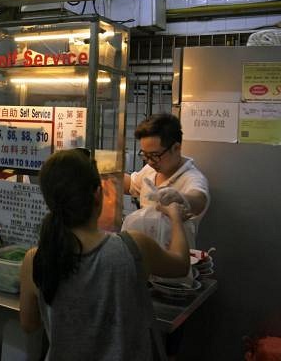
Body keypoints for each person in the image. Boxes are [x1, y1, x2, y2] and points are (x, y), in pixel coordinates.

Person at [19, 149, 190, 360]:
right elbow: (181, 264)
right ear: (98, 194)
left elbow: (29, 324)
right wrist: (175, 217)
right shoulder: (132, 247)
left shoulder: (35, 259)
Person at [122, 113, 210, 245]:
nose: (150, 162)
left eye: (154, 155)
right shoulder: (151, 169)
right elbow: (130, 184)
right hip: (146, 253)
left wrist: (182, 199)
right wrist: (103, 172)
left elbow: (199, 199)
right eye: (145, 155)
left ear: (176, 148)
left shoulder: (192, 178)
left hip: (175, 259)